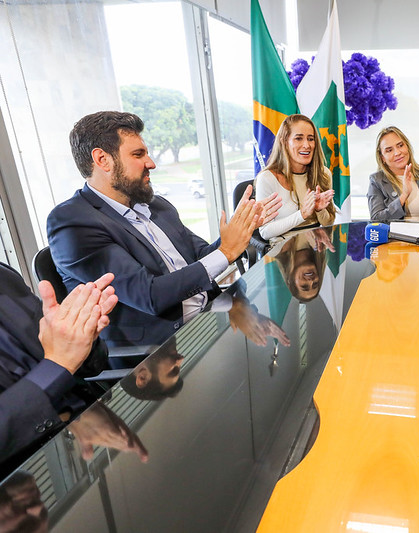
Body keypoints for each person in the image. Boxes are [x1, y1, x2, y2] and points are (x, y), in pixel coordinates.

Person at [47, 111, 280, 348]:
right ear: (102, 160)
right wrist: (226, 252)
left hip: (209, 318)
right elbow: (149, 296)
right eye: (138, 154)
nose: (151, 163)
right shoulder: (73, 222)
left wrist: (243, 231)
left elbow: (202, 256)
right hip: (161, 351)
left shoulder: (157, 205)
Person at [0, 264, 117, 463]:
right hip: (29, 462)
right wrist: (58, 364)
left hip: (91, 419)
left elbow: (92, 363)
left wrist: (82, 336)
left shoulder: (4, 276)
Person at [256, 114, 336, 242]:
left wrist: (319, 210)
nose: (307, 145)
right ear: (284, 142)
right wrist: (302, 214)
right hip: (283, 253)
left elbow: (328, 223)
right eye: (298, 138)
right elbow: (265, 232)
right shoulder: (267, 178)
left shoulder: (323, 174)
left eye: (311, 139)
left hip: (316, 249)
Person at [367, 126, 419, 222]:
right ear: (383, 158)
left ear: (407, 147)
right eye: (389, 150)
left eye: (400, 145)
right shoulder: (377, 181)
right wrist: (404, 195)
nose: (397, 152)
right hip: (396, 236)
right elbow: (376, 220)